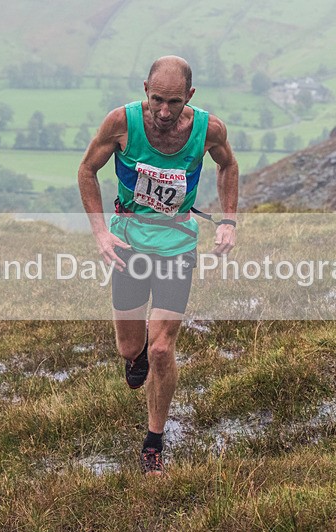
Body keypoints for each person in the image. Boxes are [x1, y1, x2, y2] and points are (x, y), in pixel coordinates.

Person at [77, 55, 239, 475]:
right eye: (155, 100)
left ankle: (153, 443)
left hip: (177, 247)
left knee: (163, 349)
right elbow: (87, 170)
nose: (164, 112)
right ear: (143, 89)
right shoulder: (122, 123)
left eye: (173, 102)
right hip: (128, 245)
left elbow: (228, 165)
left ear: (190, 96)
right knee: (132, 349)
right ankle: (138, 355)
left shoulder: (209, 129)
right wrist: (99, 232)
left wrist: (228, 221)